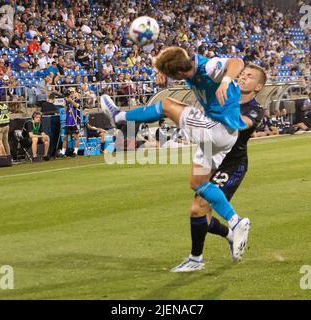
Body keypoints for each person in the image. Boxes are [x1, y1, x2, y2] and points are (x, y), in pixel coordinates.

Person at [100, 46, 251, 272]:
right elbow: (173, 56)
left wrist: (227, 80)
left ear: (180, 74)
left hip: (217, 130)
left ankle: (119, 117)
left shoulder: (209, 67)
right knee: (198, 184)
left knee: (168, 105)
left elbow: (237, 61)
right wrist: (163, 73)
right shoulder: (188, 66)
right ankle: (232, 226)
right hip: (220, 136)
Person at [190, 64, 266, 268]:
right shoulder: (223, 96)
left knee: (198, 208)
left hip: (231, 164)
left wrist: (211, 112)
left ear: (258, 87)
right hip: (207, 155)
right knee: (200, 215)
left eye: (249, 76)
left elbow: (238, 124)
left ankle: (196, 259)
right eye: (242, 74)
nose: (242, 78)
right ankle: (230, 235)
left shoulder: (255, 110)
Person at [58, 88, 81, 157]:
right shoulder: (67, 101)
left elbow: (77, 106)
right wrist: (66, 102)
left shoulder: (77, 99)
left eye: (72, 92)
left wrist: (71, 101)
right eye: (70, 92)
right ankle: (63, 152)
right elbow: (65, 110)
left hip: (75, 121)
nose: (71, 94)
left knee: (76, 136)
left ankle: (75, 152)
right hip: (68, 121)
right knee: (65, 137)